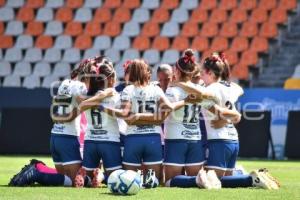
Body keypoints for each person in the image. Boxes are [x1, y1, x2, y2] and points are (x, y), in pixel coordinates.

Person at [102, 59, 187, 188]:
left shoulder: (128, 90)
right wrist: (185, 101)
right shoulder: (156, 89)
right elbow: (163, 114)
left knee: (128, 179)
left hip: (133, 139)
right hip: (152, 138)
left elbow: (127, 116)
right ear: (146, 73)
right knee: (154, 181)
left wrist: (106, 109)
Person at [201, 52, 280, 189]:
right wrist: (228, 119)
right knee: (227, 181)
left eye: (203, 73)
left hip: (219, 139)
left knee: (212, 181)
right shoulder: (232, 87)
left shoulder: (210, 89)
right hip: (233, 139)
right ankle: (249, 175)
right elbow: (240, 90)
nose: (201, 76)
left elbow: (216, 106)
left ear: (210, 73)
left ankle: (251, 179)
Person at [75, 58, 123, 188]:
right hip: (110, 141)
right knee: (115, 177)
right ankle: (101, 176)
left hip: (90, 141)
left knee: (89, 177)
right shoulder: (115, 96)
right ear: (111, 79)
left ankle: (85, 178)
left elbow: (80, 103)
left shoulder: (86, 95)